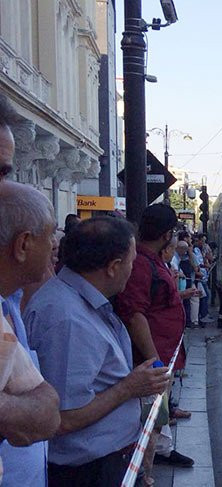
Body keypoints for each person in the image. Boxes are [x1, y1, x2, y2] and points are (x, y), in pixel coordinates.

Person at [27, 217, 170, 485]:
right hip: (88, 471)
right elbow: (63, 419)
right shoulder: (68, 319)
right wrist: (129, 388)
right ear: (114, 267)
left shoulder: (79, 303)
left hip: (103, 463)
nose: (133, 269)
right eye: (132, 261)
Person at [114, 204, 195, 469]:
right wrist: (154, 360)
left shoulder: (151, 260)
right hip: (153, 362)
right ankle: (144, 470)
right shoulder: (140, 263)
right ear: (167, 234)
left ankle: (160, 451)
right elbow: (135, 314)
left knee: (157, 416)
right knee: (152, 416)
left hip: (162, 358)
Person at [0, 181, 62, 486]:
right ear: (23, 245)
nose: (54, 246)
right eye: (50, 235)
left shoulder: (10, 303)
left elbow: (47, 411)